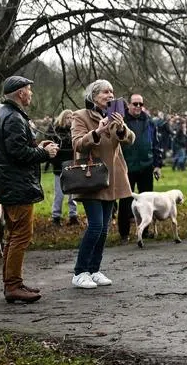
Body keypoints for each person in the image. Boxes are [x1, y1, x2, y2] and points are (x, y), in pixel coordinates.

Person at [0, 76, 58, 304]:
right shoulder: (13, 117)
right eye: (29, 90)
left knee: (13, 236)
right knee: (21, 236)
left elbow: (15, 149)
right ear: (20, 93)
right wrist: (43, 154)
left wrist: (37, 146)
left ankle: (13, 282)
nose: (31, 94)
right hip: (17, 185)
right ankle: (12, 286)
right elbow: (18, 153)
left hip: (9, 183)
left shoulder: (3, 113)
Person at [70, 80, 135, 290]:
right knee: (96, 225)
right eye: (106, 91)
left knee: (105, 229)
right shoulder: (81, 116)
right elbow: (77, 143)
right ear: (94, 95)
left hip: (113, 178)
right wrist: (97, 132)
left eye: (112, 92)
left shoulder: (115, 115)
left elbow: (130, 139)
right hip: (91, 177)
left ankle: (94, 269)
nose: (110, 95)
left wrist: (122, 128)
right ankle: (80, 272)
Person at [116, 93, 162, 243]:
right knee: (125, 201)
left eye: (140, 104)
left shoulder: (149, 122)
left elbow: (156, 144)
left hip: (146, 165)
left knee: (147, 201)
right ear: (128, 105)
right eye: (135, 104)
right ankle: (124, 234)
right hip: (127, 167)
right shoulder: (121, 121)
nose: (137, 107)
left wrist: (157, 165)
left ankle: (145, 230)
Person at [49, 110, 79, 226]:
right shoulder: (56, 132)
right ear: (63, 118)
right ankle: (56, 217)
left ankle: (73, 216)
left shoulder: (75, 132)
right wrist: (56, 163)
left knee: (73, 194)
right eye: (67, 117)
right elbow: (52, 151)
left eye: (72, 117)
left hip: (72, 166)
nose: (70, 119)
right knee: (59, 194)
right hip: (59, 168)